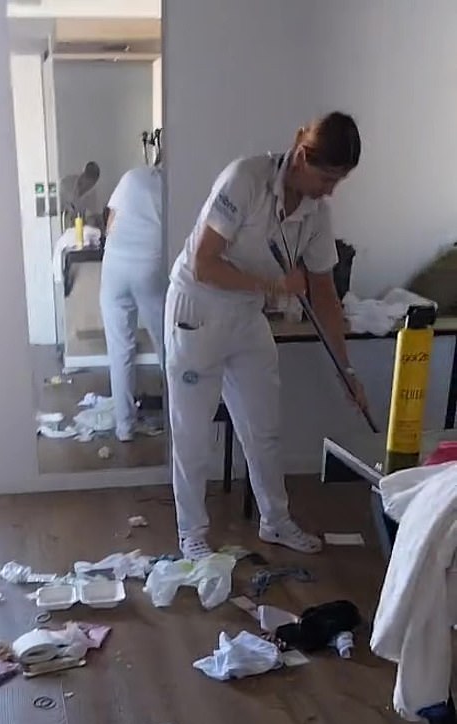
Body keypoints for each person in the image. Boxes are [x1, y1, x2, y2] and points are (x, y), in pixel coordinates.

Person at [165, 111, 368, 560]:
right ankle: (192, 533)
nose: (330, 189)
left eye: (339, 180)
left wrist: (345, 368)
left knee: (264, 428)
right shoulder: (245, 179)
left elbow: (324, 294)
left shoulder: (316, 214)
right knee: (193, 433)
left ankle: (275, 521)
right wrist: (275, 286)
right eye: (326, 176)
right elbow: (205, 263)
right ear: (300, 155)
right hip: (196, 308)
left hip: (246, 312)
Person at [100, 159, 165, 441]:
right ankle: (177, 422)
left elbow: (110, 222)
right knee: (168, 346)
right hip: (150, 266)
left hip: (114, 265)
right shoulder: (176, 186)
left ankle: (125, 427)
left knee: (120, 349)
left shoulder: (132, 176)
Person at [60, 161, 101, 228]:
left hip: (77, 229)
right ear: (83, 176)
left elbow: (94, 216)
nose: (89, 187)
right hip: (61, 224)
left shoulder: (93, 194)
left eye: (92, 185)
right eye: (88, 184)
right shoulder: (65, 184)